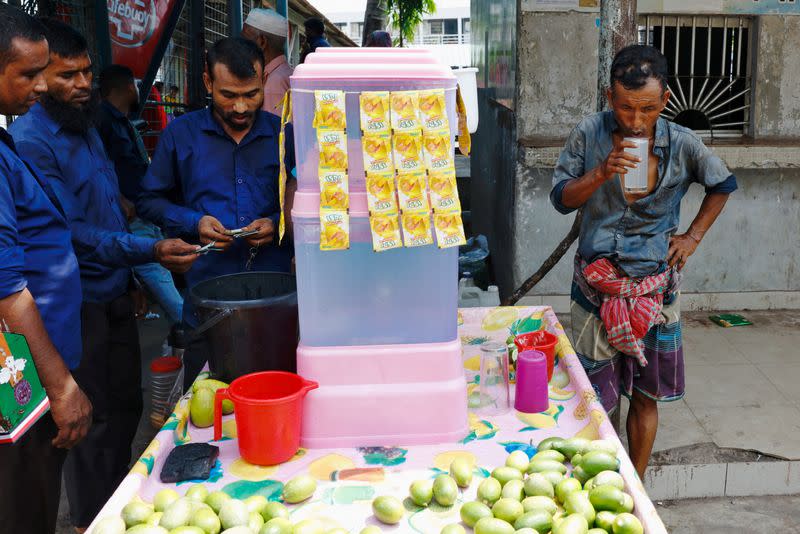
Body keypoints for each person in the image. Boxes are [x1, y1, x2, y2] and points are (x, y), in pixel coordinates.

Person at [9, 18, 198, 530]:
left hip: (114, 290)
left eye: (87, 72)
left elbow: (108, 209)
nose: (83, 84)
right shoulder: (29, 142)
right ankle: (97, 521)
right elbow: (71, 231)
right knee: (88, 427)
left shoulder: (84, 123)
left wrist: (135, 275)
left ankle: (122, 508)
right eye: (67, 75)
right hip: (76, 305)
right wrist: (150, 250)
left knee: (127, 406)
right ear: (41, 78)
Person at [550, 45, 737, 479]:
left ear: (665, 101)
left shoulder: (684, 143)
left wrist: (692, 236)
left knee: (646, 397)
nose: (636, 121)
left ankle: (634, 484)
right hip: (596, 292)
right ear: (608, 97)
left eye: (648, 109)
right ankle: (599, 479)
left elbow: (723, 183)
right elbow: (560, 199)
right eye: (626, 107)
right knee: (594, 397)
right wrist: (600, 173)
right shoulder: (589, 134)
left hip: (655, 292)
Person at [137, 37, 296, 387]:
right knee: (207, 406)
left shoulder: (285, 136)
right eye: (228, 95)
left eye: (251, 94)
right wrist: (195, 221)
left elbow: (306, 202)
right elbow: (149, 201)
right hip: (207, 306)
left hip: (276, 301)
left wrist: (276, 222)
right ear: (209, 83)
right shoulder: (181, 135)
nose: (240, 107)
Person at [0, 7, 92, 534]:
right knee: (25, 507)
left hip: (30, 367)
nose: (40, 88)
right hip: (22, 377)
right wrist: (59, 388)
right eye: (29, 75)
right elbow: (8, 292)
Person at [96, 64, 185, 326]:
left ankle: (182, 334)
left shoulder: (120, 122)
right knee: (156, 271)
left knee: (164, 270)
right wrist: (119, 199)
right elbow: (99, 166)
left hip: (143, 208)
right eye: (135, 85)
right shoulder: (102, 121)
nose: (138, 90)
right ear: (126, 87)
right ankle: (194, 328)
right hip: (130, 212)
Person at [241, 8, 292, 116]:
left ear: (262, 42)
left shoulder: (273, 84)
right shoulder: (284, 73)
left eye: (244, 39)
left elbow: (273, 131)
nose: (240, 45)